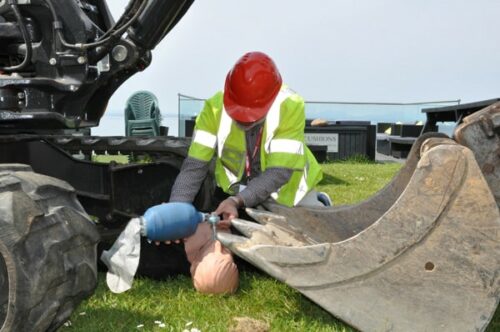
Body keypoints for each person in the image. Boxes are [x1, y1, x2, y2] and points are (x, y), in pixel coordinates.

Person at [168, 51, 327, 294]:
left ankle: (319, 205)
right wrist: (176, 212)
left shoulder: (289, 106)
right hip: (240, 193)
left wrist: (237, 200)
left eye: (251, 114)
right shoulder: (212, 110)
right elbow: (194, 168)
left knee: (314, 251)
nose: (243, 119)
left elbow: (279, 173)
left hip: (289, 194)